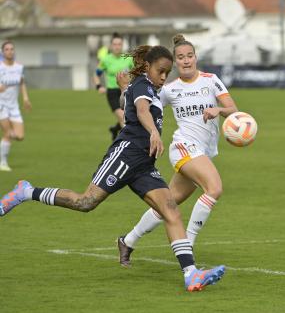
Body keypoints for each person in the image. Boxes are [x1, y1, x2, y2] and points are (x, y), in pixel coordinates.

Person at [0, 44, 225, 292]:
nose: (164, 77)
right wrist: (153, 132)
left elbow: (130, 103)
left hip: (143, 164)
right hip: (125, 155)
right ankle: (25, 191)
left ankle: (191, 274)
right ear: (148, 67)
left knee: (170, 210)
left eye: (167, 72)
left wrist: (124, 90)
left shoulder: (144, 86)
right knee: (85, 202)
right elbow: (141, 110)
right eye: (161, 71)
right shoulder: (142, 84)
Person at [116, 34, 238, 267]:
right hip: (183, 147)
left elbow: (233, 108)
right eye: (180, 58)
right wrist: (125, 90)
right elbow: (137, 104)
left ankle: (127, 240)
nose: (186, 61)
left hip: (202, 152)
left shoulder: (211, 80)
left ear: (195, 57)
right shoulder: (169, 90)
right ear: (175, 62)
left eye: (189, 56)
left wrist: (218, 110)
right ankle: (188, 245)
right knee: (214, 188)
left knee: (166, 205)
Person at [93, 33, 133, 140]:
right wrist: (99, 86)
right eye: (115, 44)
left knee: (129, 117)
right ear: (111, 46)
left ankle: (115, 129)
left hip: (126, 91)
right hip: (113, 93)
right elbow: (96, 74)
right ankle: (127, 142)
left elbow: (137, 73)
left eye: (119, 44)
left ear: (122, 45)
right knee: (123, 117)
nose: (117, 46)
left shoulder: (128, 58)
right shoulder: (106, 60)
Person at [0, 40, 32, 171]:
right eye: (6, 49)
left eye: (11, 49)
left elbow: (22, 83)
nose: (9, 51)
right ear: (2, 52)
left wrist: (25, 98)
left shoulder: (19, 67)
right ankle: (3, 163)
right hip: (1, 105)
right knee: (7, 133)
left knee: (19, 136)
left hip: (14, 106)